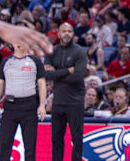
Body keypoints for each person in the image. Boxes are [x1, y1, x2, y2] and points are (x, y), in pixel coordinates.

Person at [0, 39, 47, 161]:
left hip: (29, 106)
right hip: (10, 106)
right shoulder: (6, 62)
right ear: (12, 43)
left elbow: (42, 83)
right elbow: (0, 84)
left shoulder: (35, 61)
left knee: (30, 145)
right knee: (4, 144)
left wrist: (42, 105)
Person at [45, 23, 87, 161]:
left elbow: (78, 76)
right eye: (64, 31)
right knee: (56, 138)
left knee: (76, 138)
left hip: (75, 101)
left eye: (70, 31)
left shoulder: (79, 52)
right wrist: (68, 70)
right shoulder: (52, 51)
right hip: (58, 101)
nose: (67, 34)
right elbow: (47, 75)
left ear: (73, 33)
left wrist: (56, 73)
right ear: (58, 33)